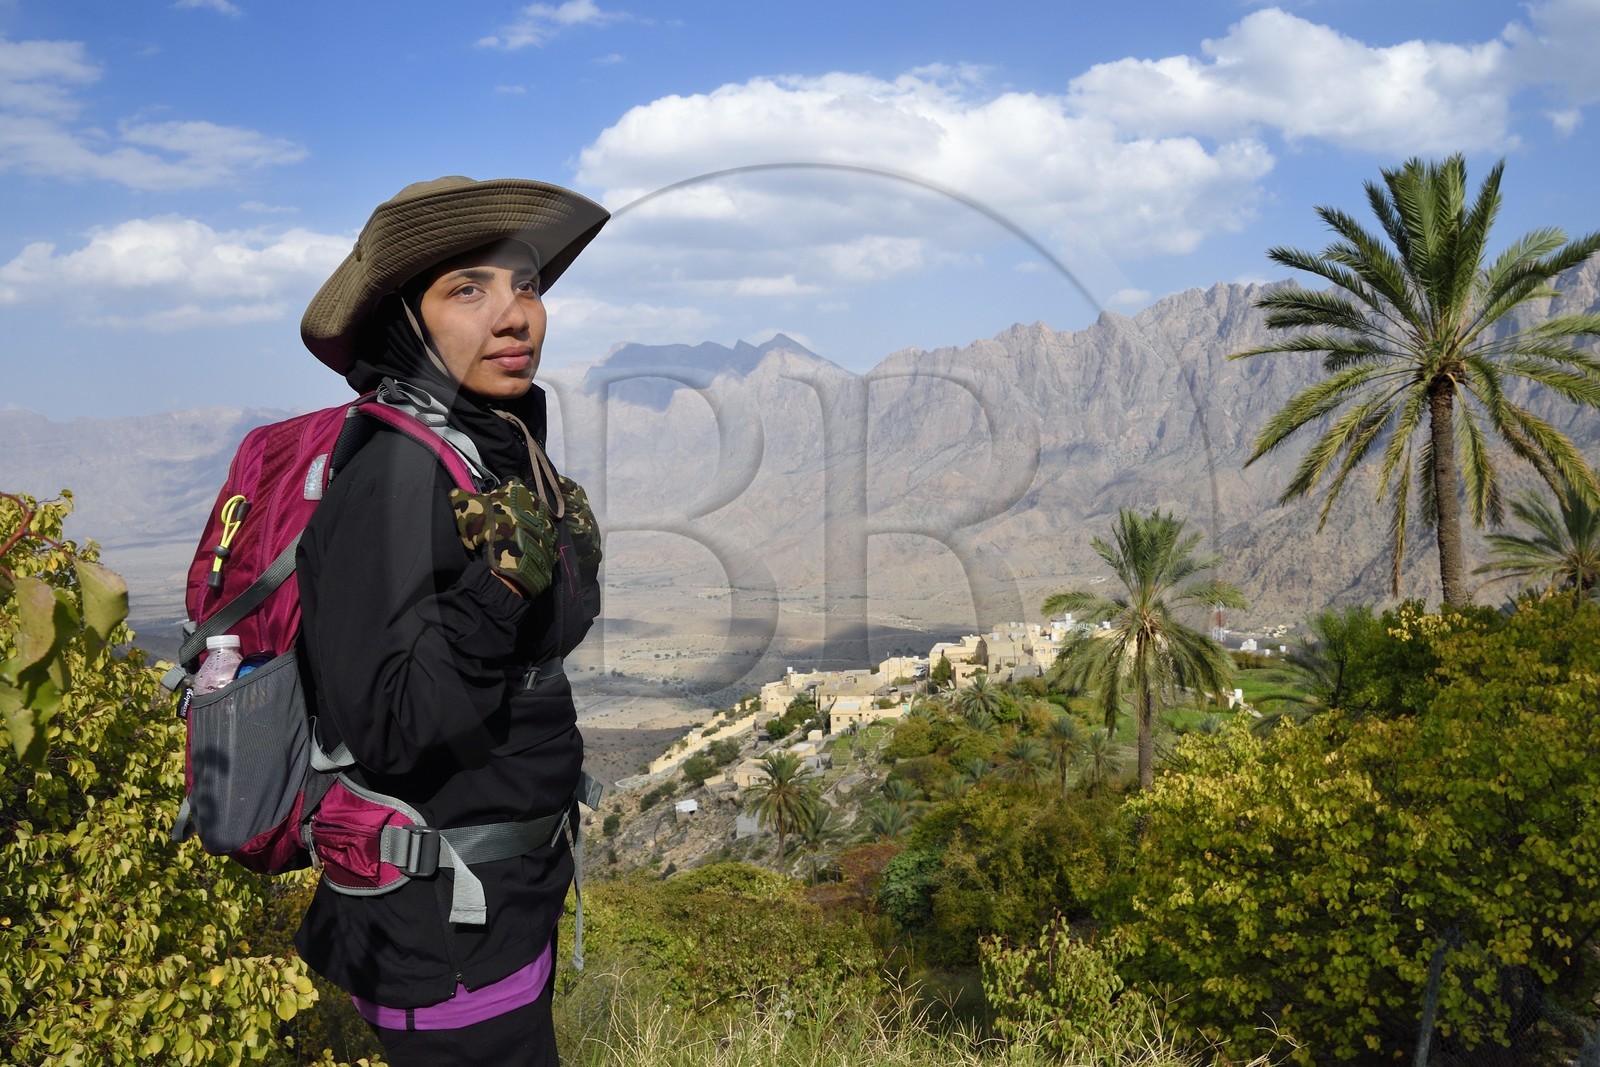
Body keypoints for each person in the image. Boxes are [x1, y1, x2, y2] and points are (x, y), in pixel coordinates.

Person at [293, 176, 609, 1065]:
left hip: (503, 905)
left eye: (526, 284)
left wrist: (558, 563)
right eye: (468, 289)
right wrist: (501, 588)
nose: (515, 315)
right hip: (442, 942)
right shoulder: (391, 479)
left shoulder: (489, 453)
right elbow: (388, 725)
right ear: (405, 318)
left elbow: (522, 656)